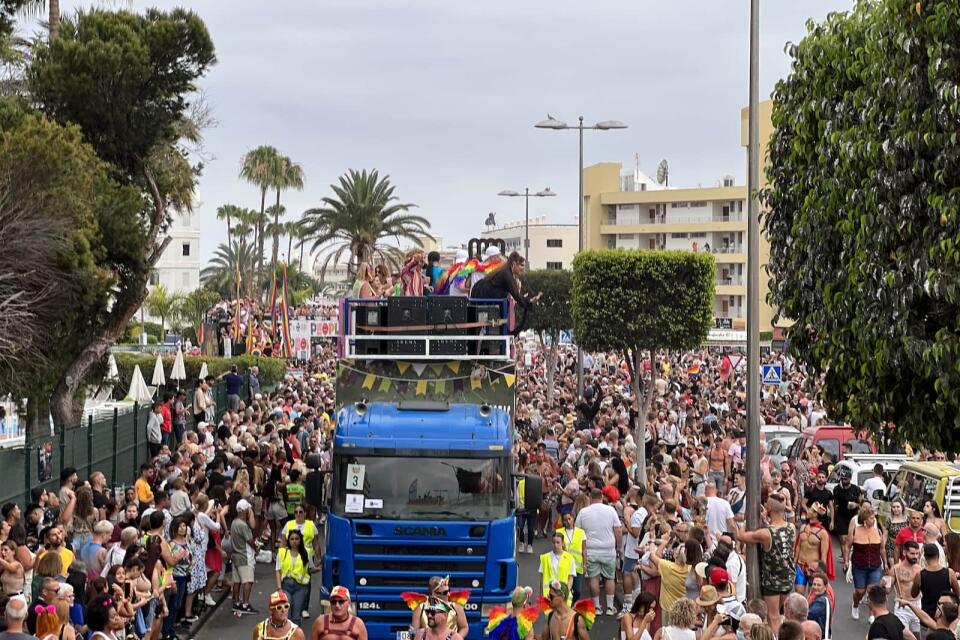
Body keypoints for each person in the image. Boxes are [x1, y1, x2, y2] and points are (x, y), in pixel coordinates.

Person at [733, 495, 795, 636]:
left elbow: (740, 536)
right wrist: (766, 518)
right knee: (779, 613)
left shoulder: (766, 533)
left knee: (772, 616)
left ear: (769, 508)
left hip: (772, 581)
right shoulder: (791, 527)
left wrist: (747, 520)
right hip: (788, 577)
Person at [575, 487, 622, 616]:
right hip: (608, 550)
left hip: (591, 550)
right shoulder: (611, 511)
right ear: (602, 497)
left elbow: (577, 531)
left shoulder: (584, 512)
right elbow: (618, 531)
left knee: (593, 578)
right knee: (609, 578)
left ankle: (597, 607)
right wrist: (619, 547)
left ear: (590, 498)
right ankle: (610, 607)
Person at [848, 504, 885, 620]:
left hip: (875, 565)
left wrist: (886, 563)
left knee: (871, 590)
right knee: (860, 591)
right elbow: (848, 546)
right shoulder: (856, 531)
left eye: (874, 518)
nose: (873, 520)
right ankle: (855, 604)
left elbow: (882, 549)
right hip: (859, 565)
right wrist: (847, 562)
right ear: (864, 519)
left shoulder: (877, 531)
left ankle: (871, 612)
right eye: (871, 518)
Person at [910, 542, 960, 626]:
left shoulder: (920, 575)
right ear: (938, 555)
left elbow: (913, 594)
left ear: (925, 557)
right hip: (945, 617)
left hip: (927, 619)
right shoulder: (949, 573)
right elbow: (958, 593)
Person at [275, 530, 315, 622]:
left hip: (300, 587)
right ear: (288, 540)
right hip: (286, 586)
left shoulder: (307, 552)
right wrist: (279, 589)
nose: (294, 541)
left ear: (300, 540)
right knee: (286, 613)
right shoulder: (282, 552)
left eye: (296, 539)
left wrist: (319, 568)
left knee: (296, 615)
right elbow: (278, 571)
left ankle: (296, 635)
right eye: (292, 539)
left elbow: (310, 568)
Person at [794, 503, 832, 593]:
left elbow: (824, 555)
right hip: (800, 566)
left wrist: (821, 573)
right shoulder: (803, 527)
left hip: (814, 569)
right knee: (798, 593)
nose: (808, 510)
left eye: (810, 509)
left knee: (812, 595)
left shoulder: (823, 533)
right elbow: (798, 545)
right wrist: (794, 562)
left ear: (815, 514)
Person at [231, 499, 258, 615]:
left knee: (236, 581)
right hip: (245, 555)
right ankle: (245, 604)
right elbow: (249, 540)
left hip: (235, 555)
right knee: (248, 581)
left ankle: (236, 603)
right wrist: (257, 547)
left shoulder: (234, 522)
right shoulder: (242, 525)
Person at [891, 540, 922, 638]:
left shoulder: (920, 569)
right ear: (904, 552)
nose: (915, 556)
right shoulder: (896, 569)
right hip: (902, 607)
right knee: (903, 635)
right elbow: (888, 589)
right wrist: (885, 582)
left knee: (917, 636)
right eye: (912, 553)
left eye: (917, 553)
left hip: (917, 605)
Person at [832, 467, 861, 567]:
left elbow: (862, 503)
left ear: (850, 479)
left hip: (853, 517)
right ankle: (846, 562)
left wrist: (856, 505)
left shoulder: (856, 489)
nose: (843, 481)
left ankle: (851, 557)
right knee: (843, 540)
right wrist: (833, 519)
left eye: (845, 479)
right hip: (841, 516)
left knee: (852, 540)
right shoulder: (837, 489)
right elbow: (833, 504)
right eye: (842, 479)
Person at [539, 533, 577, 605]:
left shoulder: (570, 558)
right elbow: (542, 578)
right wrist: (541, 595)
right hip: (549, 595)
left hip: (563, 595)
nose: (555, 545)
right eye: (554, 543)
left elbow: (570, 578)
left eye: (558, 542)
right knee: (551, 616)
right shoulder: (545, 558)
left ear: (563, 543)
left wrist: (566, 592)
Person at [556, 512, 585, 601]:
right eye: (565, 520)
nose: (568, 522)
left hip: (577, 566)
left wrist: (585, 563)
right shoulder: (559, 532)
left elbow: (584, 549)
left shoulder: (581, 532)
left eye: (569, 519)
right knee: (564, 590)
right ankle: (567, 607)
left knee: (577, 591)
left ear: (573, 519)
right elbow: (556, 548)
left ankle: (574, 605)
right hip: (564, 565)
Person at [805, 575, 831, 639]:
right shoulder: (820, 598)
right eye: (814, 584)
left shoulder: (821, 601)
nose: (815, 587)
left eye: (819, 585)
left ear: (825, 587)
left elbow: (807, 615)